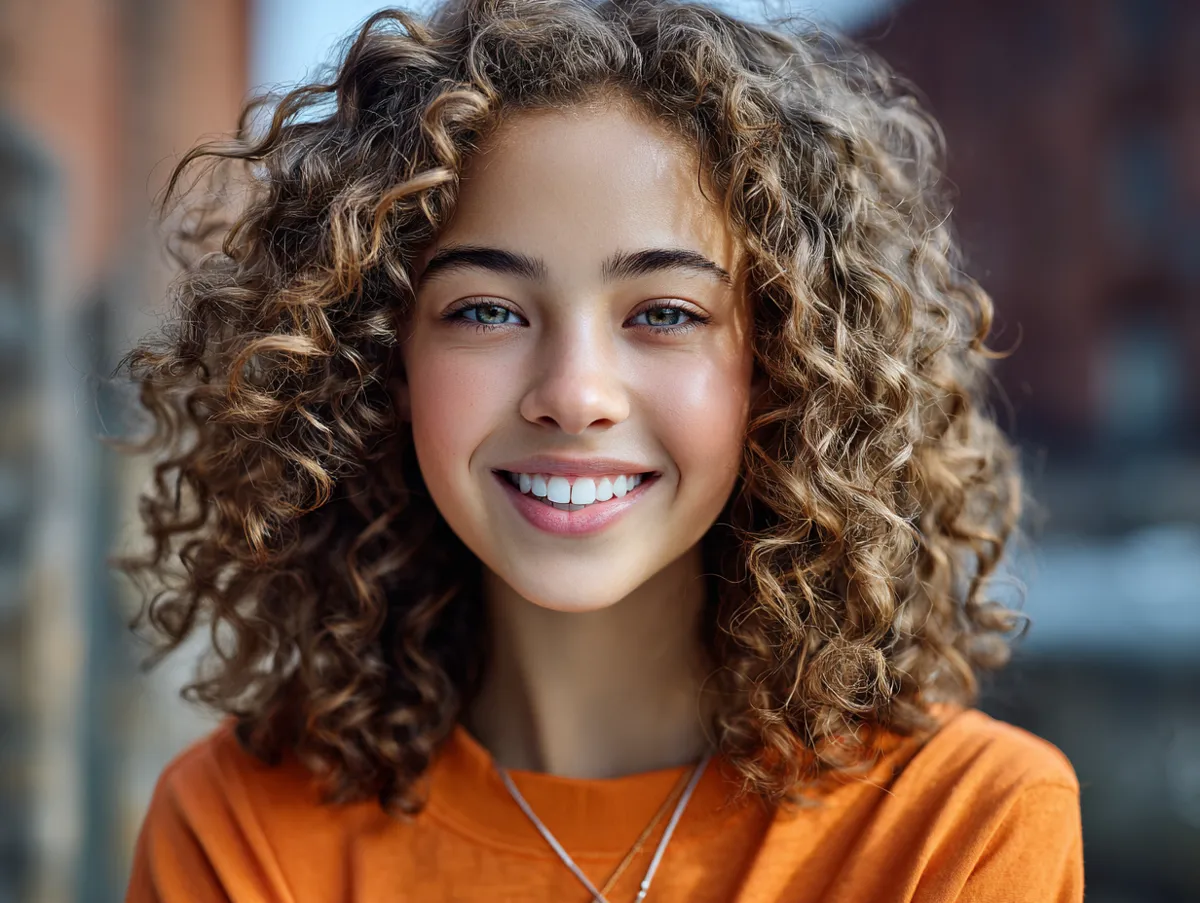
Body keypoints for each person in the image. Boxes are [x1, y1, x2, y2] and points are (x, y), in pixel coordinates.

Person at [117, 1, 1083, 900]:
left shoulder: (963, 829)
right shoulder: (237, 833)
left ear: (783, 364)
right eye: (485, 310)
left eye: (664, 313)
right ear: (382, 359)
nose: (574, 394)